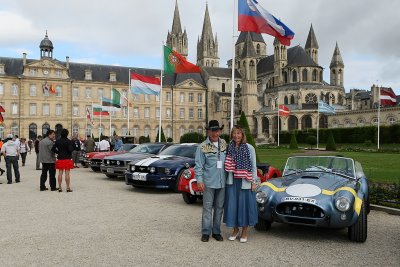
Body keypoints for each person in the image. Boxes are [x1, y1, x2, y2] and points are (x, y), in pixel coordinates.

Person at [223, 125, 260, 243]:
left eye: (238, 133)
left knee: (244, 206)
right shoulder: (229, 147)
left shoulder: (249, 148)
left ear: (242, 135)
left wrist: (254, 182)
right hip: (232, 181)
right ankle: (235, 230)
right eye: (234, 133)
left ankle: (244, 231)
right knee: (232, 206)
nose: (236, 135)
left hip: (245, 181)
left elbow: (254, 166)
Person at [194, 120, 227, 242]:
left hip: (222, 181)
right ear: (208, 131)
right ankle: (206, 232)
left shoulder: (224, 143)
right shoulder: (202, 147)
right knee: (207, 208)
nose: (215, 133)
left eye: (217, 130)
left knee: (219, 208)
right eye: (212, 131)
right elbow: (198, 165)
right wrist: (199, 180)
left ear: (220, 131)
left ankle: (216, 232)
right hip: (208, 182)